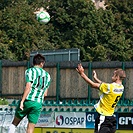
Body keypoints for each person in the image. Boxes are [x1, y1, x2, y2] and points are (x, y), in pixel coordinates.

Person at [76, 64, 126, 133]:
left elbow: (93, 85)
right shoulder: (121, 88)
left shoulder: (109, 87)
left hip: (104, 118)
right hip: (112, 118)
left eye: (114, 74)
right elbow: (105, 85)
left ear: (117, 77)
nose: (112, 76)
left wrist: (82, 74)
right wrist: (96, 78)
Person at [8, 54, 51, 133]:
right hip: (38, 103)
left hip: (28, 100)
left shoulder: (29, 71)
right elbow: (45, 94)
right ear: (41, 63)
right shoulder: (47, 76)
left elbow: (28, 86)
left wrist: (22, 101)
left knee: (14, 123)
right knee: (30, 128)